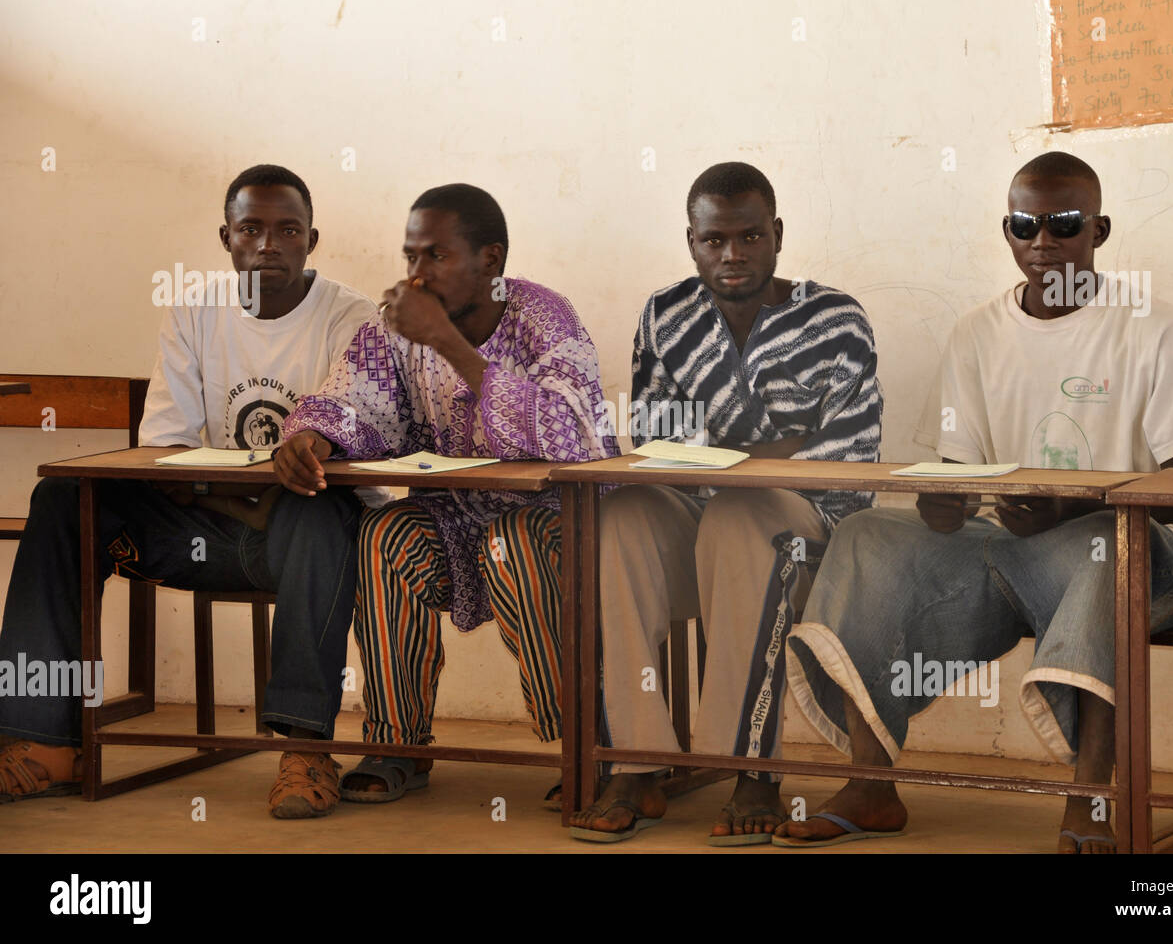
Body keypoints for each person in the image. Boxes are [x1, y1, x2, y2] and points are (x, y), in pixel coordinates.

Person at [777, 151, 1173, 852]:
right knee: (868, 534)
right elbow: (957, 472)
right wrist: (946, 502)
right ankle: (871, 784)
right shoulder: (976, 334)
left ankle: (1090, 798)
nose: (1043, 241)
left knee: (1101, 544)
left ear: (1100, 230)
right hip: (1008, 547)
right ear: (1008, 230)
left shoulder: (1155, 327)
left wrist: (1071, 506)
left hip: (1139, 556)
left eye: (1063, 224)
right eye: (1025, 225)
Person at [0, 164, 380, 819]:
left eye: (287, 230)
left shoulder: (351, 317)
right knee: (64, 501)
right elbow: (165, 452)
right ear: (226, 237)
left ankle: (306, 749)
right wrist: (242, 486)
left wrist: (273, 470)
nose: (268, 245)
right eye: (251, 229)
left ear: (311, 241)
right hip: (207, 524)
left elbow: (344, 425)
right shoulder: (195, 309)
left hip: (296, 536)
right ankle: (47, 741)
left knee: (321, 509)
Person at [276, 183, 619, 807]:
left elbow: (571, 432)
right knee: (385, 534)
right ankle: (396, 745)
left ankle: (585, 747)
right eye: (410, 256)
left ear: (490, 261)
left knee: (513, 542)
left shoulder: (546, 317)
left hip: (558, 523)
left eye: (436, 256)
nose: (416, 274)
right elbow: (353, 400)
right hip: (457, 520)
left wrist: (449, 345)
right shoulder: (398, 328)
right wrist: (314, 438)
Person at [569, 162, 883, 844]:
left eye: (749, 237)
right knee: (619, 516)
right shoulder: (665, 315)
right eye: (714, 240)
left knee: (743, 517)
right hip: (697, 516)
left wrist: (736, 460)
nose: (732, 255)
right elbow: (656, 442)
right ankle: (636, 758)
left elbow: (849, 458)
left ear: (777, 233)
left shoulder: (834, 318)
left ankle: (748, 766)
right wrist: (776, 447)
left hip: (811, 534)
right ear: (691, 240)